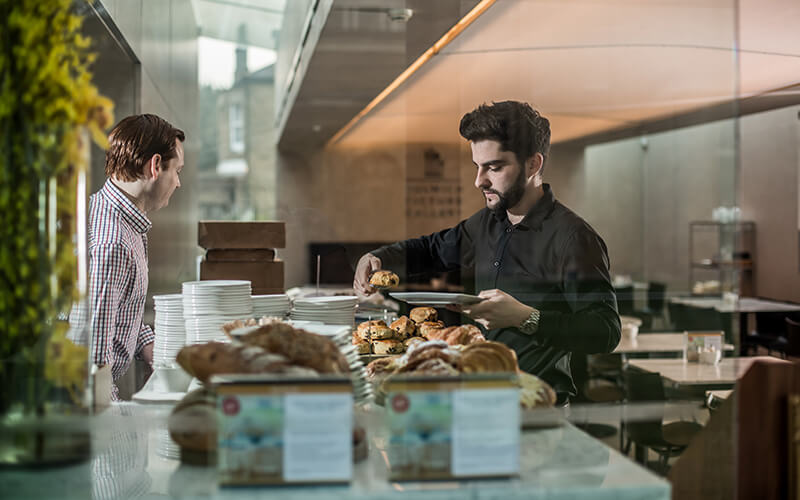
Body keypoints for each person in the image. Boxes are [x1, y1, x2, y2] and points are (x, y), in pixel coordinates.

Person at [354, 101, 620, 405]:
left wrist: (526, 318)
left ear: (533, 164)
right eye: (477, 167)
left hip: (539, 410)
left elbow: (605, 332)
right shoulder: (487, 223)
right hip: (479, 401)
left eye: (494, 167)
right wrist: (377, 258)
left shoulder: (573, 237)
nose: (479, 180)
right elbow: (430, 249)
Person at [87, 114, 185, 400]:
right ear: (155, 166)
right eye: (177, 171)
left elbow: (114, 310)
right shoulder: (113, 244)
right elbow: (92, 372)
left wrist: (147, 345)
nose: (177, 183)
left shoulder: (122, 219)